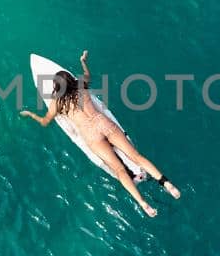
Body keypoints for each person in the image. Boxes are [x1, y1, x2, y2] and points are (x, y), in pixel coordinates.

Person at [20, 50, 180, 217]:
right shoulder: (81, 86)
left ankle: (143, 203)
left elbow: (45, 122)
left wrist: (30, 114)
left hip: (91, 135)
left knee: (119, 170)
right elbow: (88, 74)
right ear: (71, 80)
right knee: (136, 156)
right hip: (103, 123)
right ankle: (166, 183)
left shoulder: (57, 102)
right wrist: (83, 61)